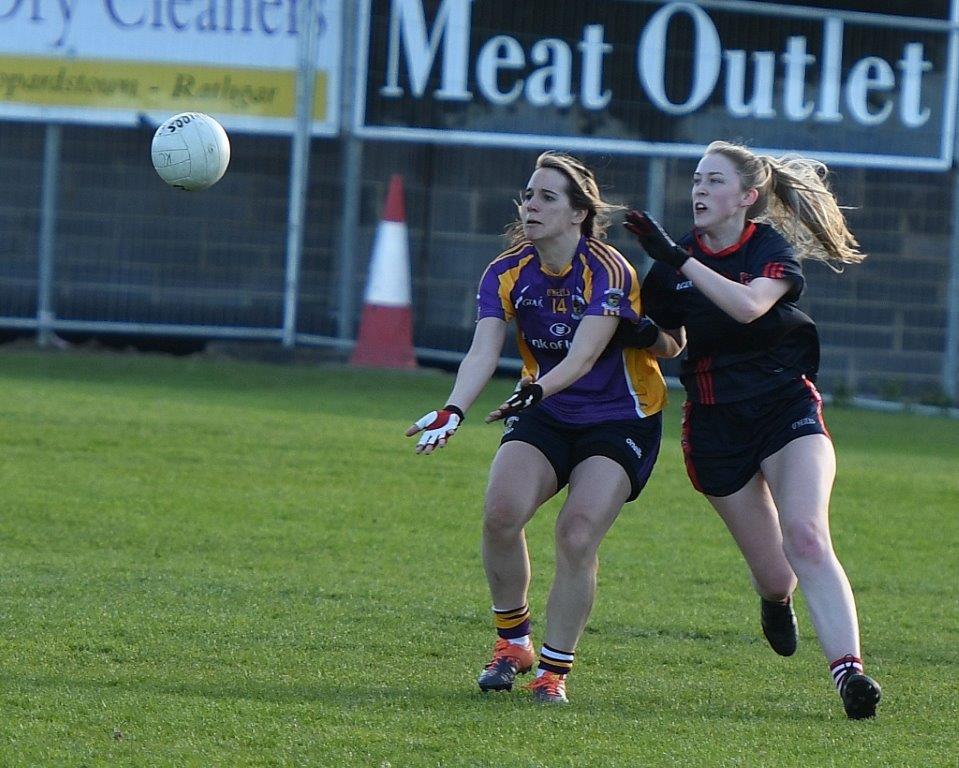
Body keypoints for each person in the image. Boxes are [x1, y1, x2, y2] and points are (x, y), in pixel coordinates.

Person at [619, 140, 881, 719]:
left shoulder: (767, 248)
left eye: (713, 181)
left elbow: (748, 308)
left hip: (785, 407)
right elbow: (671, 343)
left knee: (807, 536)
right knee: (775, 575)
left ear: (747, 196)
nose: (699, 191)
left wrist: (677, 258)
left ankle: (849, 674)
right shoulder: (671, 261)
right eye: (696, 180)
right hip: (715, 425)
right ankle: (774, 598)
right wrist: (641, 334)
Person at [405, 151, 677, 704]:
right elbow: (483, 349)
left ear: (579, 213)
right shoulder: (506, 270)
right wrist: (454, 408)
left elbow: (581, 357)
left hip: (621, 415)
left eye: (547, 196)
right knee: (500, 515)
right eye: (528, 195)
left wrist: (533, 390)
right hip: (547, 410)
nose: (531, 205)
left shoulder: (608, 269)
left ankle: (553, 672)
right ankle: (513, 644)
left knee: (577, 534)